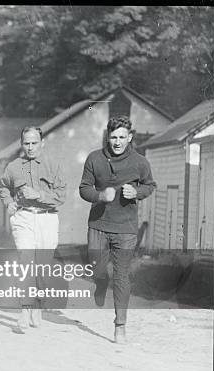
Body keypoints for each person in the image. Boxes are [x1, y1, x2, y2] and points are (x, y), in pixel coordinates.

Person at [79, 115, 156, 343]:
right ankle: (100, 281)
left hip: (126, 228)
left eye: (123, 137)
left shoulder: (140, 162)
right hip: (98, 225)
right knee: (97, 268)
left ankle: (120, 325)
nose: (118, 142)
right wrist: (101, 195)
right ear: (107, 136)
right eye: (113, 137)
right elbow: (84, 188)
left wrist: (137, 193)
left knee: (122, 275)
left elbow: (150, 185)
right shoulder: (95, 158)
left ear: (130, 137)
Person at [0, 127, 66, 328]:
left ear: (42, 143)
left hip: (47, 218)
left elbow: (61, 196)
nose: (30, 147)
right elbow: (3, 187)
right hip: (24, 218)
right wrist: (8, 202)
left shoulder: (53, 165)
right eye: (26, 143)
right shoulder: (13, 167)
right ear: (21, 144)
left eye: (34, 143)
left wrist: (39, 195)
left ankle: (36, 307)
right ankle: (24, 311)